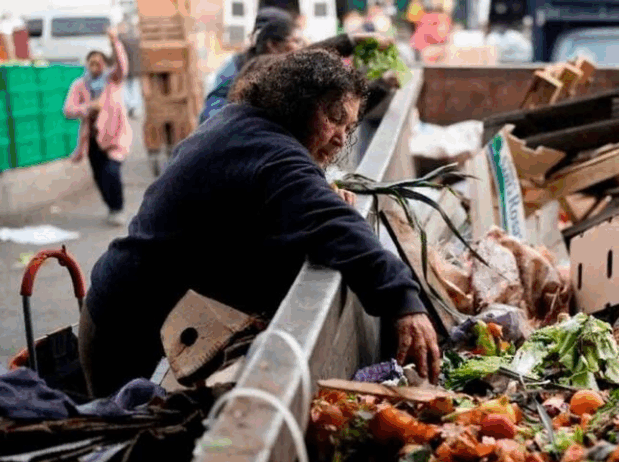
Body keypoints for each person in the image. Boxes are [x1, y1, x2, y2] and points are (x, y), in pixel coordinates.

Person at [79, 49, 441, 397]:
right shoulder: (269, 151)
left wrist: (319, 188)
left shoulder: (245, 125)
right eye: (333, 117)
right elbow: (335, 226)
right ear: (297, 103)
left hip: (131, 310)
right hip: (124, 330)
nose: (340, 137)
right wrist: (404, 302)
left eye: (348, 125)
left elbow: (292, 199)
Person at [63, 27, 131, 226]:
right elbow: (68, 109)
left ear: (104, 64)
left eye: (99, 62)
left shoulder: (113, 80)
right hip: (93, 140)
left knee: (112, 172)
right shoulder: (79, 85)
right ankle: (110, 206)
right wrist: (88, 108)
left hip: (116, 137)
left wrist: (114, 42)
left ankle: (118, 208)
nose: (95, 66)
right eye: (91, 62)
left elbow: (122, 65)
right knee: (100, 177)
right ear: (87, 65)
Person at [200, 7, 304, 124]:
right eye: (296, 41)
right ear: (272, 44)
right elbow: (211, 116)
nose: (302, 47)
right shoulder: (235, 68)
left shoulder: (287, 71)